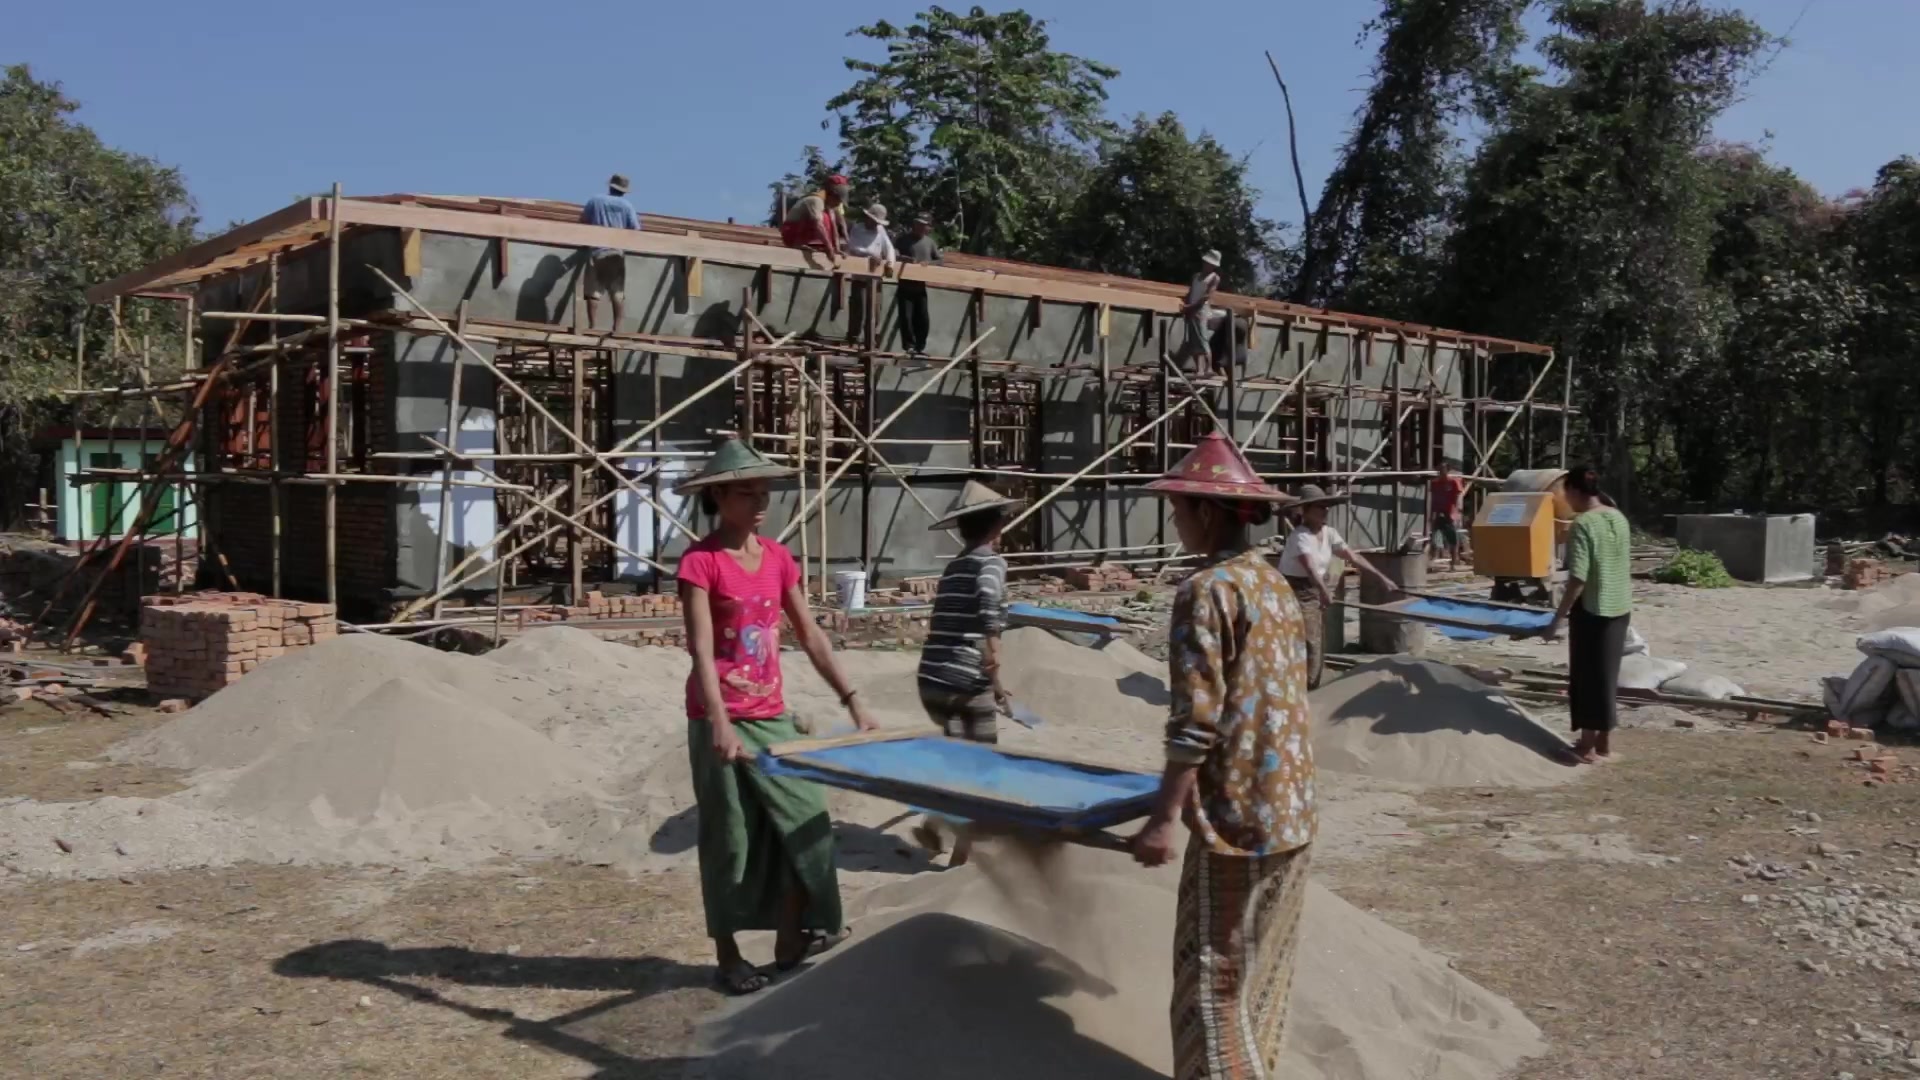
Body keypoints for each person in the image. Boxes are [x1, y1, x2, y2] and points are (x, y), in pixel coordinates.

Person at [1128, 432, 1315, 1080]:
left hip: (1233, 819)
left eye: (1178, 511)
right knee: (1260, 981)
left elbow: (1194, 721)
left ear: (1206, 512)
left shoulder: (1205, 590)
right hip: (1291, 811)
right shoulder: (1273, 584)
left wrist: (1161, 819)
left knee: (1210, 986)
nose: (1176, 523)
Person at [676, 438, 878, 994]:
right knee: (731, 839)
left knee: (806, 820)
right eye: (748, 492)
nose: (761, 502)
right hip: (718, 715)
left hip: (772, 714)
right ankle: (728, 955)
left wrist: (852, 698)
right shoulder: (700, 562)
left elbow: (810, 634)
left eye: (765, 492)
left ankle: (794, 935)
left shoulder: (778, 557)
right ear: (719, 495)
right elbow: (699, 649)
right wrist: (717, 721)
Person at [912, 480, 1022, 867]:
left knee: (959, 760)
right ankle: (961, 858)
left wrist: (991, 680)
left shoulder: (954, 566)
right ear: (997, 527)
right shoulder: (991, 562)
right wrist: (995, 650)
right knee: (984, 766)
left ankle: (937, 823)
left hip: (932, 679)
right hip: (963, 676)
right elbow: (989, 600)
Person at [1542, 466, 1632, 764]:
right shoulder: (1618, 517)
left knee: (1586, 680)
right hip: (1620, 607)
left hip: (1593, 609)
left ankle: (1587, 746)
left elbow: (1578, 578)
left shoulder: (1582, 525)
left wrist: (1557, 618)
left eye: (1567, 495)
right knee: (1606, 678)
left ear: (1578, 493)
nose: (1567, 501)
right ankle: (1604, 742)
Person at [1277, 484, 1401, 689]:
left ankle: (1310, 682)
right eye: (1320, 506)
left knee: (1316, 637)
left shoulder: (1329, 532)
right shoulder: (1300, 536)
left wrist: (1381, 577)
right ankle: (1304, 685)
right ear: (1306, 512)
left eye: (1326, 506)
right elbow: (1309, 567)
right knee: (1308, 639)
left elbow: (1351, 556)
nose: (1325, 510)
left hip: (1314, 588)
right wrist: (1324, 591)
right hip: (1295, 590)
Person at [579, 173, 642, 331]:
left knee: (593, 291)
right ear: (624, 191)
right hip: (616, 253)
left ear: (610, 186)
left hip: (597, 251)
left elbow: (582, 222)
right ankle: (617, 328)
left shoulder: (595, 201)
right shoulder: (627, 206)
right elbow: (635, 230)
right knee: (617, 291)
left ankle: (593, 326)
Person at [844, 204, 897, 343]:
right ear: (868, 218)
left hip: (875, 279)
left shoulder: (881, 230)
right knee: (858, 310)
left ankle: (871, 340)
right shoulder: (857, 229)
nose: (875, 224)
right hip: (860, 278)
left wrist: (890, 264)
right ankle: (853, 339)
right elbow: (853, 247)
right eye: (873, 221)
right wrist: (870, 254)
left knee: (874, 312)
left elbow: (889, 248)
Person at [898, 213, 942, 355]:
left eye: (923, 225)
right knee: (906, 318)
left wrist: (928, 264)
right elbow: (892, 252)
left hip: (920, 287)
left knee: (923, 319)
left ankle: (920, 347)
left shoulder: (929, 243)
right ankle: (909, 346)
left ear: (927, 228)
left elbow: (940, 260)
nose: (919, 227)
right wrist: (901, 258)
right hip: (905, 285)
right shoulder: (903, 240)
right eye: (917, 224)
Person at [780, 174, 852, 262]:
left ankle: (819, 245)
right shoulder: (816, 200)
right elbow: (819, 225)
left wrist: (836, 249)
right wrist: (829, 248)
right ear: (831, 195)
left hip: (812, 239)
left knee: (828, 217)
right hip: (792, 235)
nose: (838, 204)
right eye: (838, 201)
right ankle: (800, 244)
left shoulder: (830, 206)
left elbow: (834, 228)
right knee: (823, 218)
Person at [1180, 250, 1222, 375]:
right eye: (1206, 263)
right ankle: (1200, 369)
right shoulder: (1196, 276)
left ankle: (1209, 368)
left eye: (1210, 264)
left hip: (1201, 310)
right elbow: (1191, 292)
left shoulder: (1214, 278)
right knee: (1194, 341)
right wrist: (1186, 305)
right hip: (1191, 309)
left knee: (1203, 340)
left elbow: (1206, 296)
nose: (1207, 265)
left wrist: (1191, 307)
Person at [1428, 460, 1471, 571]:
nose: (1440, 471)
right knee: (1434, 536)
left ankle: (1453, 562)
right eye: (1439, 469)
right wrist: (1431, 513)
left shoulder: (1453, 482)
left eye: (1443, 469)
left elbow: (1457, 497)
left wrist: (1456, 512)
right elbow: (1433, 498)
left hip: (1449, 513)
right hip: (1437, 512)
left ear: (1447, 470)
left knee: (1452, 538)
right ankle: (1431, 561)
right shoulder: (1435, 483)